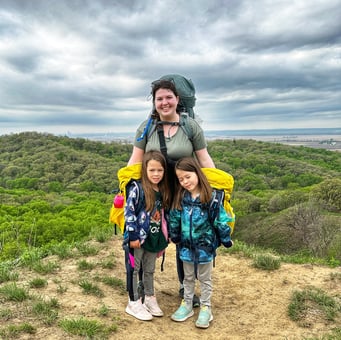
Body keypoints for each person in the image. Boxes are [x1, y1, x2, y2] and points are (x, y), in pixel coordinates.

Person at [127, 78, 215, 306]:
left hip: (183, 190)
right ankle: (142, 285)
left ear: (177, 99)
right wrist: (128, 192)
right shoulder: (145, 127)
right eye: (159, 99)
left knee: (184, 237)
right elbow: (135, 163)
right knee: (148, 234)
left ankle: (186, 287)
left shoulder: (190, 127)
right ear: (154, 102)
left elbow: (204, 159)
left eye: (169, 97)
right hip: (153, 191)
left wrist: (215, 190)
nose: (164, 102)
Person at [169, 157, 233, 329]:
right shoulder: (181, 197)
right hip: (185, 247)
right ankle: (187, 304)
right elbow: (174, 217)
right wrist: (174, 235)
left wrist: (225, 239)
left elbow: (220, 220)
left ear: (197, 172)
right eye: (181, 179)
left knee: (205, 278)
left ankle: (206, 307)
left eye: (187, 177)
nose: (184, 182)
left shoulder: (211, 197)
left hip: (205, 247)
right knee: (188, 278)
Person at [124, 150, 171, 321]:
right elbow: (128, 212)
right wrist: (133, 236)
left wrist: (168, 234)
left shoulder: (163, 189)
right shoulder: (138, 188)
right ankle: (133, 301)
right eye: (152, 170)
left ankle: (149, 298)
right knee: (134, 269)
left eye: (160, 170)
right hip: (137, 239)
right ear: (145, 170)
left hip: (154, 237)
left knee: (150, 270)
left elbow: (166, 214)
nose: (156, 174)